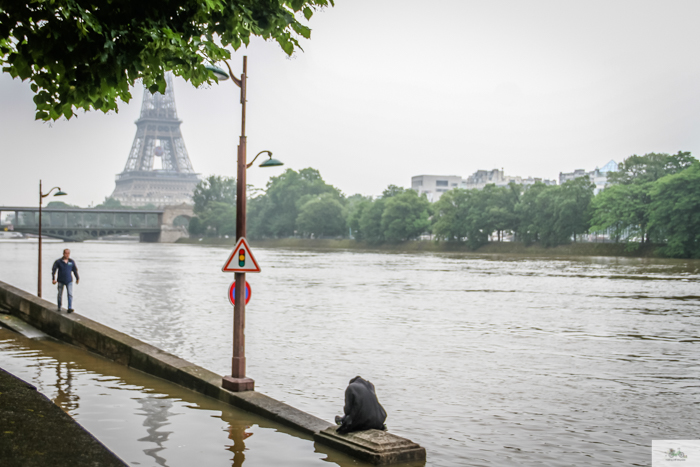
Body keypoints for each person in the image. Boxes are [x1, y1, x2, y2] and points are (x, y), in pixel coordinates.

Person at [52, 248, 79, 313]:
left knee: (70, 294)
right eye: (66, 253)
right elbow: (54, 270)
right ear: (63, 254)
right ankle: (59, 306)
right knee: (60, 294)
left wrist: (77, 278)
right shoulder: (58, 261)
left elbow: (75, 270)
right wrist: (53, 278)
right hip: (60, 280)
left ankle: (69, 307)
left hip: (69, 280)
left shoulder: (71, 262)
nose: (67, 255)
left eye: (68, 253)